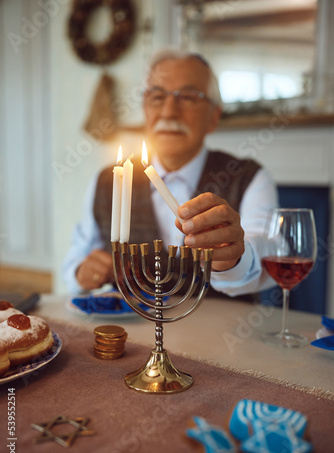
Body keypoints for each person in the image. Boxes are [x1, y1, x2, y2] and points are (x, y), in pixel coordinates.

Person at [63, 48, 278, 296]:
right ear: (145, 109)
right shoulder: (109, 181)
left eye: (187, 97)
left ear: (213, 117)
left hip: (220, 330)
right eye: (157, 97)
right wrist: (82, 271)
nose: (169, 111)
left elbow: (266, 255)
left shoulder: (248, 178)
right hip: (133, 329)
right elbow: (75, 260)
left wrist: (233, 258)